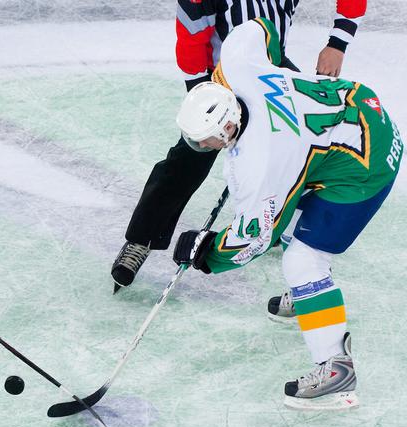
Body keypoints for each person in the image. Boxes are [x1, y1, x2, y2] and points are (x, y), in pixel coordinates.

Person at [172, 18, 402, 409]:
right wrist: (273, 73)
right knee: (293, 213)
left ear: (227, 127)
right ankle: (312, 300)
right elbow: (260, 28)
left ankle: (336, 367)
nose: (203, 145)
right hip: (359, 109)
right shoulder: (237, 64)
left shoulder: (263, 165)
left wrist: (207, 255)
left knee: (302, 260)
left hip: (367, 164)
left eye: (207, 139)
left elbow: (254, 239)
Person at [111, 0, 367, 293]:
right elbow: (191, 39)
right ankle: (142, 238)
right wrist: (203, 98)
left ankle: (306, 264)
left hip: (273, 72)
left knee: (307, 149)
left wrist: (338, 43)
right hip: (223, 76)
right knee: (191, 156)